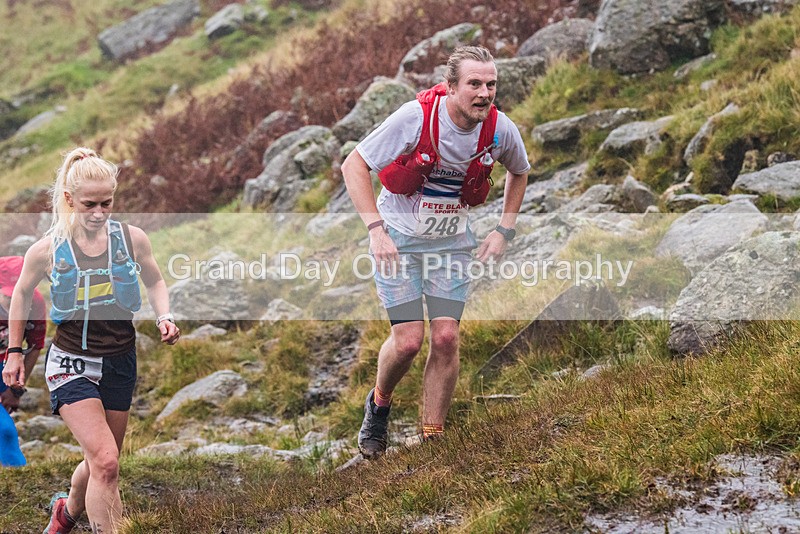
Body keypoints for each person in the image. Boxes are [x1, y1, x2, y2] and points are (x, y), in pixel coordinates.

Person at [341, 45, 530, 458]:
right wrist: (376, 231)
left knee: (445, 337)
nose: (484, 93)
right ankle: (379, 404)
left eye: (491, 84)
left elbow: (520, 170)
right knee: (408, 342)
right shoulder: (416, 117)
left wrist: (504, 231)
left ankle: (433, 438)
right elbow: (353, 165)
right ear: (450, 87)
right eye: (474, 84)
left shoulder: (499, 130)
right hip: (399, 244)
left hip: (451, 246)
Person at [2, 147, 181, 534]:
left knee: (103, 460)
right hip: (70, 362)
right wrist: (14, 353)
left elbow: (155, 280)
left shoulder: (132, 240)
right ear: (69, 200)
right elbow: (20, 294)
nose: (99, 213)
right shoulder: (47, 250)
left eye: (107, 203)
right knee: (106, 461)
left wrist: (164, 315)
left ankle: (66, 513)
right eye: (89, 205)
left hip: (120, 360)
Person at [0, 255, 47, 467]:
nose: (17, 304)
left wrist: (15, 390)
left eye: (24, 295)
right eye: (9, 298)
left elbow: (35, 346)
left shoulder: (36, 304)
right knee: (6, 429)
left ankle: (16, 478)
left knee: (6, 433)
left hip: (6, 365)